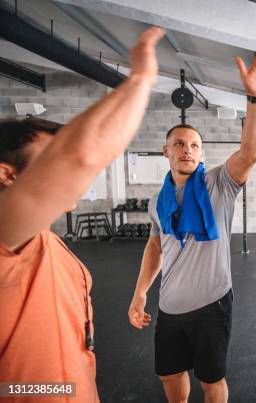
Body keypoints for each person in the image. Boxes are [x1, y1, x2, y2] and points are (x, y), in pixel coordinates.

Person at [0, 27, 165, 403]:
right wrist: (140, 80)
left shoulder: (48, 241)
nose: (63, 172)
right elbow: (79, 157)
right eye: (48, 161)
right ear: (8, 174)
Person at [127, 41, 256, 403]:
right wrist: (140, 292)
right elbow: (156, 246)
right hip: (170, 306)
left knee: (211, 381)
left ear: (202, 153)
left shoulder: (219, 183)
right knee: (169, 375)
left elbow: (250, 153)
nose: (187, 149)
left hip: (212, 304)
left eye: (194, 145)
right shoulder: (157, 201)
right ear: (166, 151)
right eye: (179, 144)